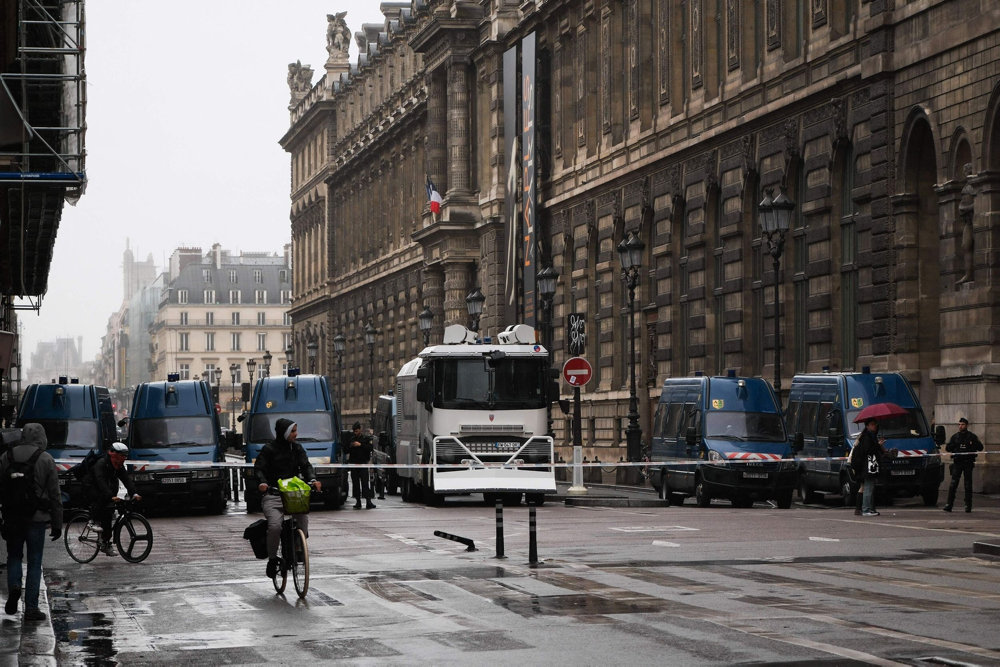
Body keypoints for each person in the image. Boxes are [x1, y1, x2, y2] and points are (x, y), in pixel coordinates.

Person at [1, 423, 62, 622]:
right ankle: (31, 609)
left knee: (14, 556)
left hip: (12, 517)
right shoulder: (45, 458)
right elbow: (55, 494)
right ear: (42, 436)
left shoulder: (6, 457)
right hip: (37, 518)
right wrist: (57, 522)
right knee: (35, 562)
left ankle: (15, 587)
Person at [253, 418, 321, 578]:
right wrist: (262, 483)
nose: (296, 434)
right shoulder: (268, 449)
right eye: (292, 431)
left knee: (303, 519)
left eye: (296, 431)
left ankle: (298, 547)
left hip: (293, 495)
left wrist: (312, 479)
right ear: (283, 432)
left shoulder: (297, 448)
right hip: (273, 495)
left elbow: (306, 465)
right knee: (275, 526)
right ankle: (272, 559)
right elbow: (259, 469)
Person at [85, 442, 141, 556]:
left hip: (108, 489)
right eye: (122, 455)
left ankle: (105, 543)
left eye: (125, 456)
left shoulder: (118, 466)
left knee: (109, 514)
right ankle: (91, 521)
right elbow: (100, 481)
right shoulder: (101, 464)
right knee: (101, 499)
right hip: (92, 486)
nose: (124, 458)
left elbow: (126, 480)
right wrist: (110, 495)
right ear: (114, 454)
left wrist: (134, 493)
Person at [851, 418, 896, 517]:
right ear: (867, 426)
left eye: (875, 424)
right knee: (868, 487)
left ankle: (869, 509)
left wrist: (880, 446)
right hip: (867, 466)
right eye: (872, 424)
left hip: (871, 465)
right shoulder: (867, 436)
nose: (874, 426)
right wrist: (878, 445)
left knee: (869, 487)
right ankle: (866, 509)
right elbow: (868, 450)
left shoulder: (871, 436)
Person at [943, 417, 984, 513]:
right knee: (953, 484)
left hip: (968, 463)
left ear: (966, 425)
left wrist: (972, 445)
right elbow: (948, 448)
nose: (960, 426)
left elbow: (980, 447)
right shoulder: (955, 437)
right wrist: (954, 447)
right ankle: (949, 504)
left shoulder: (972, 437)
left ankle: (968, 505)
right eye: (959, 424)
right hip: (957, 462)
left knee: (968, 484)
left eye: (962, 424)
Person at [346, 422, 375, 509]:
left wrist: (360, 445)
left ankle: (368, 502)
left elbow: (370, 448)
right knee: (355, 484)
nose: (356, 433)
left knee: (365, 483)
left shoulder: (365, 438)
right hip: (354, 464)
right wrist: (351, 445)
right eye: (354, 431)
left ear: (360, 430)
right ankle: (358, 501)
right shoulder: (351, 439)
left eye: (357, 431)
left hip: (363, 464)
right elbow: (346, 449)